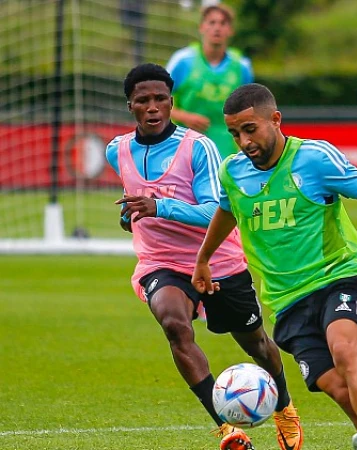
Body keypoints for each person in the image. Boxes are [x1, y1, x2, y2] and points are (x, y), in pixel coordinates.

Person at [192, 83, 357, 450]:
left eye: (250, 129)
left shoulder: (313, 158)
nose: (243, 141)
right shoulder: (233, 172)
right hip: (287, 300)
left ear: (275, 119)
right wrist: (203, 258)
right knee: (339, 390)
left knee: (345, 350)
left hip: (337, 275)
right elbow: (227, 210)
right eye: (234, 133)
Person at [106, 64, 302, 450]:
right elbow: (136, 201)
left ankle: (284, 405)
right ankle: (229, 429)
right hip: (160, 262)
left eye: (160, 99)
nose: (152, 107)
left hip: (216, 261)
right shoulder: (118, 150)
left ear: (172, 102)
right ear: (130, 105)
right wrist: (130, 214)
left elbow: (217, 213)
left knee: (256, 342)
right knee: (174, 324)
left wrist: (157, 206)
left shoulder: (198, 147)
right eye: (143, 100)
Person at [166, 3, 253, 159]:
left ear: (230, 30)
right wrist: (185, 117)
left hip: (227, 150)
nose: (217, 28)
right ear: (202, 27)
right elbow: (158, 103)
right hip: (184, 148)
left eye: (223, 23)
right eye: (212, 22)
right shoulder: (183, 61)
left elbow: (250, 110)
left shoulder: (241, 66)